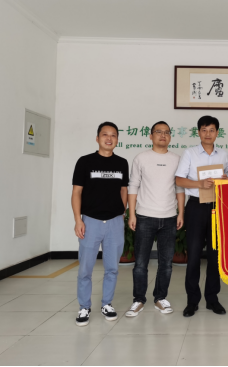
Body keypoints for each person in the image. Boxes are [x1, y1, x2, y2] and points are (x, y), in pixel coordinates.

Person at [124, 121, 185, 318]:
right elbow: (133, 186)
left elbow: (179, 188)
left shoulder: (177, 159)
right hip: (145, 216)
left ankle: (160, 298)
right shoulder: (141, 158)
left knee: (166, 264)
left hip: (169, 217)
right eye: (158, 132)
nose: (163, 135)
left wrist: (181, 213)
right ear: (151, 136)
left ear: (170, 137)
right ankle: (138, 300)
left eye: (166, 132)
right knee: (141, 263)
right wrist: (132, 214)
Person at [72, 122, 129, 327]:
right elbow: (76, 192)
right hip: (90, 221)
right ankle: (84, 306)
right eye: (105, 134)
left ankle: (107, 304)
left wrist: (121, 212)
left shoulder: (122, 163)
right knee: (85, 269)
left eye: (113, 135)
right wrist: (78, 219)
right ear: (97, 138)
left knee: (112, 268)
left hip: (114, 222)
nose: (109, 138)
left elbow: (124, 190)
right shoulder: (85, 161)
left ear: (117, 140)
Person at [175, 116, 228, 317]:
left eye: (212, 130)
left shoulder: (223, 154)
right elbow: (179, 179)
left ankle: (212, 299)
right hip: (196, 207)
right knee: (194, 255)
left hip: (217, 207)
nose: (208, 134)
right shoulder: (189, 153)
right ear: (198, 132)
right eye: (204, 130)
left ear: (217, 133)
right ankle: (192, 300)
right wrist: (200, 184)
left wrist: (226, 179)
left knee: (215, 256)